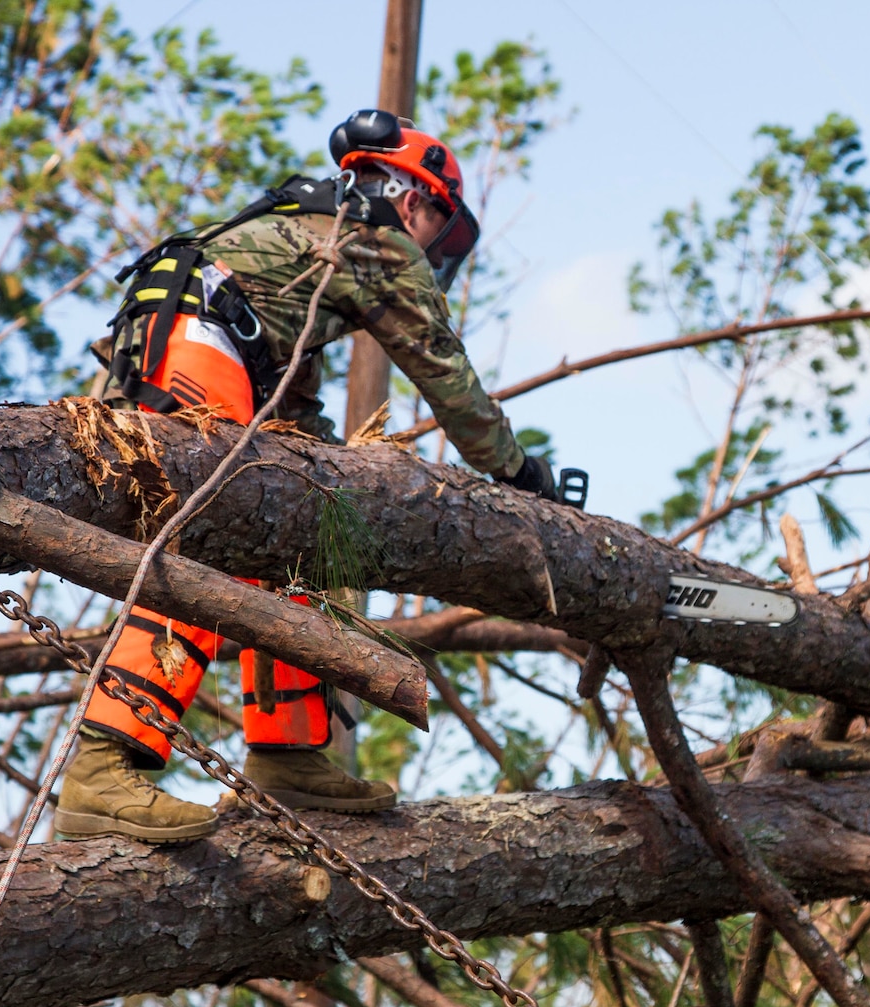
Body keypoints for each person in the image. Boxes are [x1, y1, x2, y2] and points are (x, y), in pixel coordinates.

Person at [55, 109, 562, 842]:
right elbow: (448, 379)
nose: (431, 250)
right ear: (415, 200)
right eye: (437, 230)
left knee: (314, 533)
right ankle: (103, 766)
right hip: (197, 346)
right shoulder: (376, 239)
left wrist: (345, 475)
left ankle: (288, 752)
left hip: (192, 339)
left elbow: (293, 413)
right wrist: (518, 472)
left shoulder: (311, 238)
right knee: (203, 547)